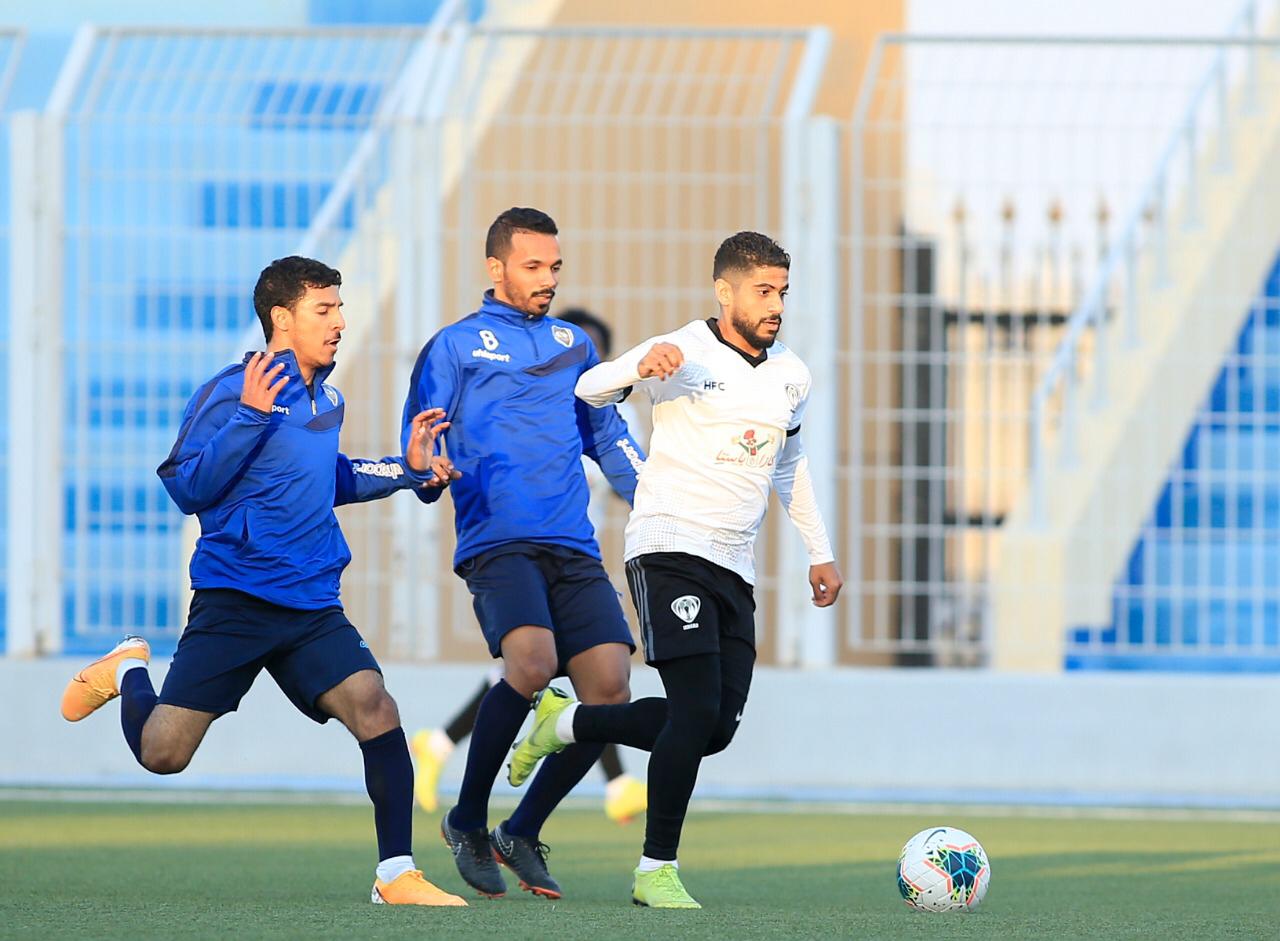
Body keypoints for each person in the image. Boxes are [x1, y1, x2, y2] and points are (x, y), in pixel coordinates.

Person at [59, 256, 467, 907]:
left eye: (339, 307)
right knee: (163, 752)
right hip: (236, 600)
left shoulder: (327, 396)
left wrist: (410, 469)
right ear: (282, 318)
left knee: (376, 707)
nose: (339, 321)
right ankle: (129, 668)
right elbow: (186, 485)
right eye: (323, 309)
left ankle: (396, 873)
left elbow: (331, 477)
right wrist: (249, 416)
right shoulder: (230, 390)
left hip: (310, 603)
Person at [508, 231, 844, 909]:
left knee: (714, 727)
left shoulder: (792, 376)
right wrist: (638, 368)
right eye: (762, 290)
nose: (775, 304)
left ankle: (564, 723)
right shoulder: (684, 348)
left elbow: (788, 465)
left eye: (782, 291)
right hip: (668, 548)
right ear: (725, 291)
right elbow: (589, 387)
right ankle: (654, 868)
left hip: (735, 565)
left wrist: (819, 549)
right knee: (692, 710)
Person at [402, 208, 646, 900]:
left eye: (555, 267)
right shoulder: (453, 347)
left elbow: (608, 436)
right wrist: (424, 466)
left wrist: (658, 500)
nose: (547, 279)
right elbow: (421, 443)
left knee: (608, 688)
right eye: (533, 266)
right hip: (498, 539)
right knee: (533, 663)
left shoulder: (574, 345)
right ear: (496, 268)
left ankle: (522, 828)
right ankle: (468, 820)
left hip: (572, 544)